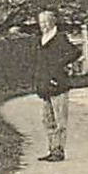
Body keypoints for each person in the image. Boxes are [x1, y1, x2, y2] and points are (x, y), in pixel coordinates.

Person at [32, 10, 82, 162]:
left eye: (46, 22)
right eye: (41, 23)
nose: (43, 26)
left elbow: (76, 52)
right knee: (47, 119)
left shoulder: (60, 38)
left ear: (52, 22)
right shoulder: (41, 39)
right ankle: (52, 148)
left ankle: (59, 150)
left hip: (59, 83)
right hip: (45, 85)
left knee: (60, 119)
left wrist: (61, 65)